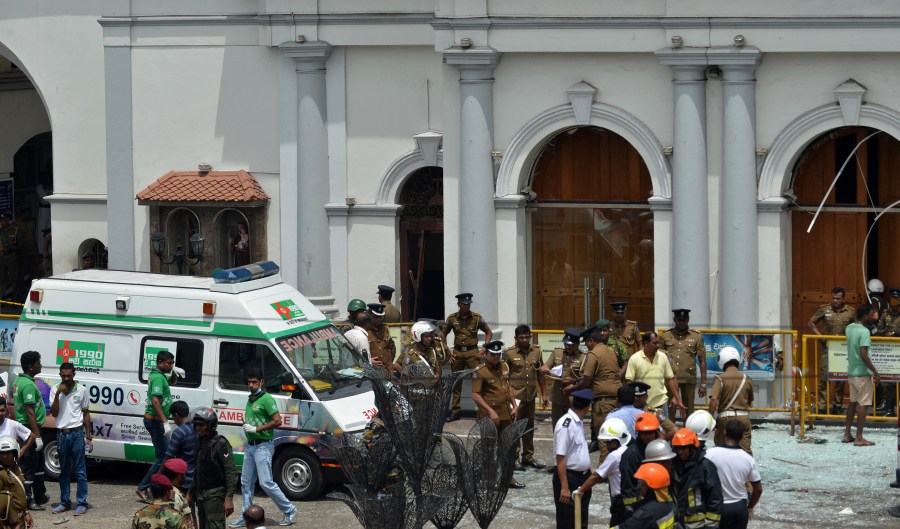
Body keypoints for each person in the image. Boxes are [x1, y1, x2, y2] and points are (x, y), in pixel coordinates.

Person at [230, 369, 297, 527]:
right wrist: (247, 424)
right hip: (251, 446)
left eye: (254, 382)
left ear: (262, 382)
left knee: (266, 482)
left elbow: (277, 421)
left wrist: (256, 429)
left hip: (263, 446)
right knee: (246, 482)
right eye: (249, 382)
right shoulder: (251, 399)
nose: (251, 385)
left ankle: (289, 509)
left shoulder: (266, 399)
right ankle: (246, 516)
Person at [470, 340, 523, 489]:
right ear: (485, 354)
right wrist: (490, 411)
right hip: (489, 417)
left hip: (506, 415)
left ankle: (508, 478)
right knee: (488, 448)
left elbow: (509, 386)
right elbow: (475, 395)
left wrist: (514, 405)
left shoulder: (504, 366)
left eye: (498, 354)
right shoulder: (480, 371)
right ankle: (489, 480)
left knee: (507, 447)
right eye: (493, 355)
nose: (496, 357)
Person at [48, 362, 91, 515]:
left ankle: (82, 502)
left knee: (80, 470)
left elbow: (86, 413)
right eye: (64, 375)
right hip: (62, 434)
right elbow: (54, 413)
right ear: (60, 375)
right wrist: (58, 394)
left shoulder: (82, 390)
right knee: (64, 470)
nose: (66, 378)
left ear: (74, 375)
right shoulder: (54, 389)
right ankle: (65, 502)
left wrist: (89, 437)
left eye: (69, 375)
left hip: (78, 433)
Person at [138, 350, 180, 503]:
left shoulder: (160, 376)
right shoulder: (157, 377)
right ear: (160, 363)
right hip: (155, 421)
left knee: (165, 456)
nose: (171, 366)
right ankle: (143, 487)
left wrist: (174, 372)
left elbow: (171, 382)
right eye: (169, 363)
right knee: (162, 457)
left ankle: (155, 487)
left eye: (172, 363)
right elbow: (155, 401)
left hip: (157, 421)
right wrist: (165, 421)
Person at [704, 420, 762, 529]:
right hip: (739, 508)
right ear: (741, 437)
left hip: (716, 507)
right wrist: (750, 507)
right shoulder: (748, 459)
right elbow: (758, 489)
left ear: (725, 432)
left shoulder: (710, 454)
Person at [443, 293, 492, 421]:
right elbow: (443, 334)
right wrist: (447, 351)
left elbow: (489, 332)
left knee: (478, 381)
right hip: (457, 354)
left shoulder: (476, 318)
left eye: (468, 304)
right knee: (456, 382)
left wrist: (484, 348)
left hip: (473, 354)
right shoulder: (452, 319)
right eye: (464, 304)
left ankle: (481, 411)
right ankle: (455, 411)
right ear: (459, 304)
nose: (466, 306)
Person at [575, 417, 632, 526]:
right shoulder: (630, 450)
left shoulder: (614, 456)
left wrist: (580, 490)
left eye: (609, 442)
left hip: (620, 501)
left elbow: (596, 476)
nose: (607, 445)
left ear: (617, 440)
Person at [808, 286, 855, 415]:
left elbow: (856, 326)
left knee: (841, 377)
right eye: (833, 298)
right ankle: (822, 406)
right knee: (824, 377)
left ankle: (837, 406)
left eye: (838, 298)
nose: (835, 301)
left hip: (842, 350)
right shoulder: (824, 309)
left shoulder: (850, 312)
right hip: (827, 348)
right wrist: (820, 336)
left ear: (843, 299)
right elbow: (811, 323)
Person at [504, 324, 546, 470]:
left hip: (530, 396)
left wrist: (544, 394)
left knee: (529, 428)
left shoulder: (536, 351)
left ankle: (528, 457)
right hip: (515, 397)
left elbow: (540, 373)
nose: (524, 340)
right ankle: (514, 458)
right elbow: (505, 377)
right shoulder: (508, 353)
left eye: (527, 337)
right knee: (515, 428)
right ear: (516, 338)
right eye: (521, 338)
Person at [626, 332, 684, 437]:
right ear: (645, 343)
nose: (658, 346)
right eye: (655, 343)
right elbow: (629, 382)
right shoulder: (634, 359)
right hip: (642, 407)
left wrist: (677, 399)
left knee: (665, 433)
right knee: (644, 434)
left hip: (661, 404)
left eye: (658, 343)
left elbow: (670, 379)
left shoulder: (663, 357)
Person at [551, 388, 593, 529]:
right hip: (569, 478)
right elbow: (560, 456)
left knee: (582, 521)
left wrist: (588, 470)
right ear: (587, 407)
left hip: (582, 477)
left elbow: (579, 450)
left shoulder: (578, 422)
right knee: (567, 521)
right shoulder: (566, 424)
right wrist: (564, 487)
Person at [13, 350, 49, 510]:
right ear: (30, 367)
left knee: (39, 463)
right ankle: (27, 500)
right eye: (37, 363)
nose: (40, 365)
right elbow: (30, 412)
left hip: (31, 427)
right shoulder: (27, 385)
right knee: (28, 465)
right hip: (29, 428)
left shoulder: (21, 380)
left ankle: (40, 495)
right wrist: (37, 436)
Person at [191, 407, 237, 529]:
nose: (198, 428)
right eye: (196, 425)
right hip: (200, 495)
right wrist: (191, 492)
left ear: (210, 425)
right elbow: (198, 469)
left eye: (201, 425)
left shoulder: (221, 443)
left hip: (215, 496)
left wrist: (229, 498)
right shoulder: (200, 441)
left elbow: (230, 472)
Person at [580, 325, 622, 456]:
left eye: (587, 343)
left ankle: (603, 474)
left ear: (591, 341)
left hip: (603, 403)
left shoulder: (594, 354)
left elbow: (587, 380)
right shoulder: (610, 351)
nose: (587, 346)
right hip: (616, 400)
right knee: (616, 439)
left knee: (604, 441)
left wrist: (572, 388)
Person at [842, 304, 881, 446]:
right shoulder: (864, 331)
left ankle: (847, 435)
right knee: (864, 404)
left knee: (852, 403)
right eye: (871, 314)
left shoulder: (849, 328)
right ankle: (859, 438)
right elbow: (864, 354)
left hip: (852, 371)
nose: (873, 318)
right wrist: (875, 372)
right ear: (865, 316)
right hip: (863, 373)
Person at [659, 309, 706, 422]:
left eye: (684, 320)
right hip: (670, 379)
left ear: (688, 320)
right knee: (670, 408)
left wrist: (703, 384)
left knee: (689, 409)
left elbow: (702, 360)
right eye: (679, 320)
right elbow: (659, 358)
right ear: (674, 320)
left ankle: (689, 433)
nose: (681, 322)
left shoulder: (697, 336)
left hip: (688, 378)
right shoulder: (666, 336)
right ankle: (670, 433)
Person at [671, 428, 722, 529]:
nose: (680, 452)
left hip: (698, 525)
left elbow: (715, 498)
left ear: (692, 447)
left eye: (683, 448)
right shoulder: (673, 466)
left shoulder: (705, 466)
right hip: (677, 523)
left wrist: (710, 526)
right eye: (677, 448)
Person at [708, 346, 754, 453]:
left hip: (725, 419)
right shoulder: (747, 379)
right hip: (744, 418)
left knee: (721, 450)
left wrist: (710, 419)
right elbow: (750, 402)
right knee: (745, 451)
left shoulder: (720, 378)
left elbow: (714, 399)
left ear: (722, 360)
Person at [539, 328, 587, 428]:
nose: (568, 347)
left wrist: (574, 381)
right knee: (557, 429)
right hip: (558, 399)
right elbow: (546, 365)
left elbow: (586, 379)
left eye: (571, 345)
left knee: (573, 430)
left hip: (573, 401)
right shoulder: (557, 352)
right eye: (566, 344)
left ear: (578, 343)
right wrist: (544, 368)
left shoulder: (583, 357)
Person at [618, 412, 661, 516]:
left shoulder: (660, 449)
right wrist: (632, 509)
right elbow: (628, 485)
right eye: (643, 433)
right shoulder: (631, 455)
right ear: (638, 433)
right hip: (640, 504)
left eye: (650, 433)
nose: (647, 437)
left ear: (656, 432)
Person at [610, 463, 676, 529]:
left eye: (642, 483)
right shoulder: (667, 503)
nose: (639, 486)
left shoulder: (646, 513)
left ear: (651, 487)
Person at [164, 401, 198, 494]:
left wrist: (159, 475)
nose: (173, 420)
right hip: (195, 479)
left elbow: (168, 458)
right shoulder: (196, 428)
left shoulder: (179, 432)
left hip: (182, 479)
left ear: (176, 415)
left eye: (173, 417)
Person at [0, 435, 31, 529]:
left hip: (20, 518)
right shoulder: (1, 474)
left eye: (8, 453)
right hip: (8, 523)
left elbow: (20, 493)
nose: (5, 456)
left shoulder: (16, 469)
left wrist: (26, 513)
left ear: (14, 453)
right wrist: (14, 522)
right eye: (2, 453)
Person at [160, 458, 194, 529]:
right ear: (179, 476)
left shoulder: (162, 491)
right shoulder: (174, 496)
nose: (185, 477)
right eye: (184, 474)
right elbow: (172, 522)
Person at [366, 303, 396, 370]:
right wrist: (368, 361)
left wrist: (390, 367)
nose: (379, 319)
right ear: (370, 316)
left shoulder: (385, 329)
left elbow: (391, 348)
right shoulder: (365, 330)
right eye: (376, 317)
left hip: (385, 370)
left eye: (380, 317)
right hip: (371, 370)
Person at [0, 213, 21, 301]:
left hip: (11, 256)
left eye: (4, 220)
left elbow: (20, 244)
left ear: (8, 220)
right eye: (1, 220)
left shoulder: (15, 230)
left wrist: (13, 249)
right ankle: (2, 298)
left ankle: (15, 298)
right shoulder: (0, 231)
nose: (2, 222)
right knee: (1, 279)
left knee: (14, 278)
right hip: (1, 257)